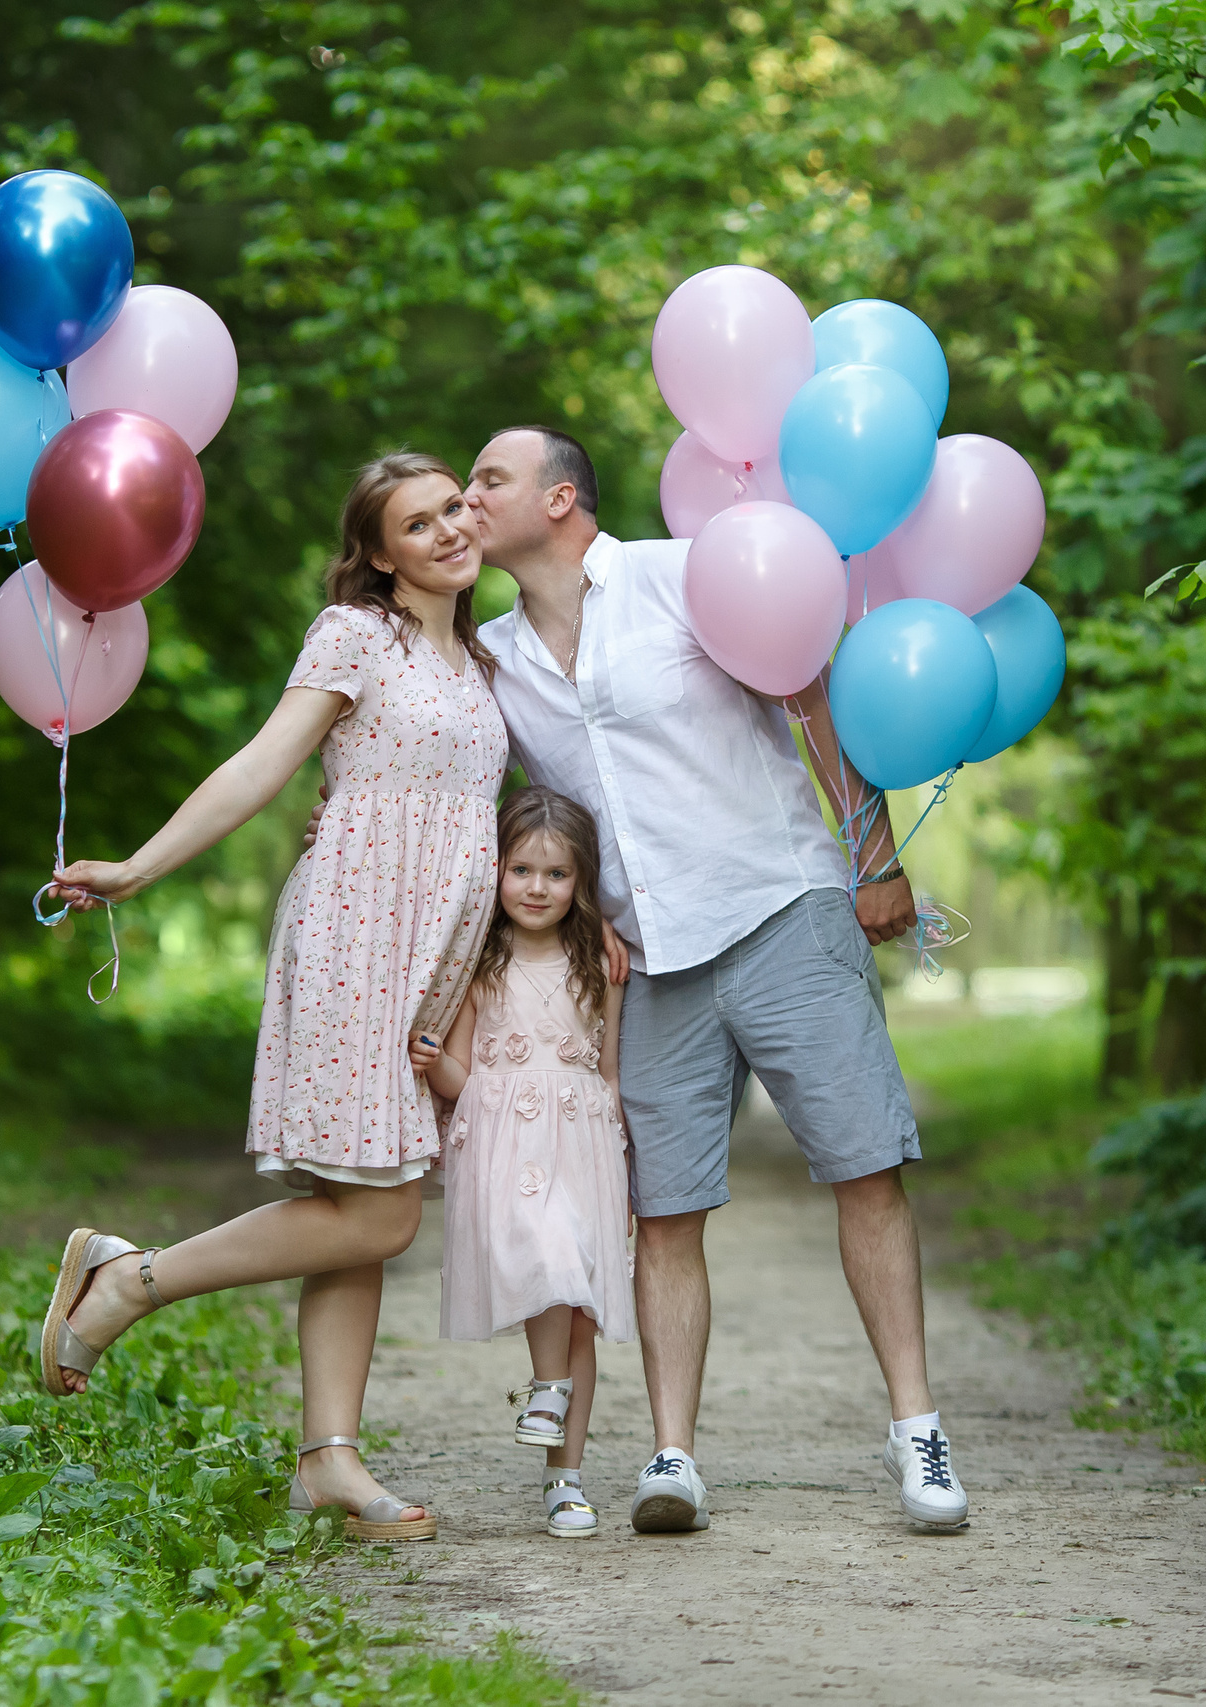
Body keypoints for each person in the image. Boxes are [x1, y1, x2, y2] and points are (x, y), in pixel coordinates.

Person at [461, 424, 968, 1535]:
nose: (466, 497)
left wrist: (873, 853)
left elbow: (810, 690)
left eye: (487, 478)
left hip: (781, 905)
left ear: (559, 499)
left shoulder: (679, 572)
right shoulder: (491, 656)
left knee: (866, 1167)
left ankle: (917, 1432)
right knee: (662, 1213)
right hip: (649, 958)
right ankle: (673, 1455)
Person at [36, 451, 508, 1544]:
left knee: (359, 1205)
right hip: (357, 936)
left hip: (429, 949)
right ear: (380, 557)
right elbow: (262, 764)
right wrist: (139, 868)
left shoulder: (482, 659)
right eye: (417, 522)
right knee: (381, 1212)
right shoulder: (357, 636)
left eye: (453, 510)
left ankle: (329, 1461)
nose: (446, 531)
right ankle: (130, 1279)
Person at [411, 787, 633, 1539]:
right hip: (506, 1148)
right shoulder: (481, 964)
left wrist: (622, 1159)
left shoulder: (598, 966)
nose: (537, 887)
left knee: (580, 1316)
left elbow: (606, 1071)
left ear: (581, 882)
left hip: (583, 1143)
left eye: (557, 874)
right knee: (549, 1259)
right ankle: (545, 1390)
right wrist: (431, 1060)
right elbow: (464, 1077)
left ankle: (565, 1481)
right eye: (522, 869)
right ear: (495, 869)